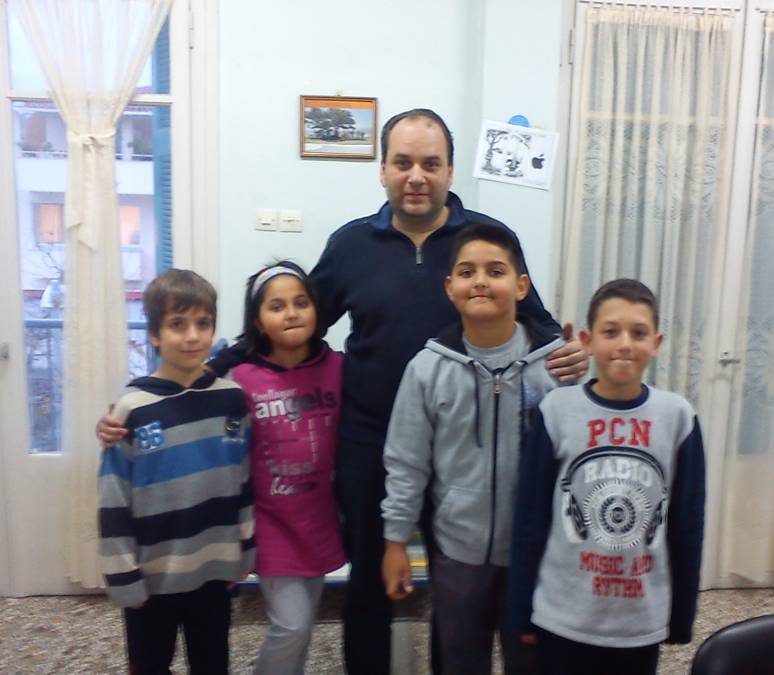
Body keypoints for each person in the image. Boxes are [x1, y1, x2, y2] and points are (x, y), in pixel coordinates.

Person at [98, 108, 588, 675]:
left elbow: (537, 324)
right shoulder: (351, 244)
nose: (416, 176)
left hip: (461, 450)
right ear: (383, 170)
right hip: (369, 443)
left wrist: (572, 355)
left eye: (430, 164)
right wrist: (192, 379)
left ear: (450, 171)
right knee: (371, 583)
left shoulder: (483, 242)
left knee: (454, 589)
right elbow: (292, 327)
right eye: (403, 163)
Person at [381, 223, 563, 675]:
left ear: (521, 286)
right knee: (460, 660)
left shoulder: (555, 367)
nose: (480, 281)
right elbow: (406, 463)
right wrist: (396, 541)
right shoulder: (427, 369)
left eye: (495, 271)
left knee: (532, 660)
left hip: (535, 554)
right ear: (450, 287)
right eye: (467, 272)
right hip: (457, 553)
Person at [507, 279, 706, 675]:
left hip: (639, 622)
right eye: (611, 332)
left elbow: (687, 526)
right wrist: (521, 610)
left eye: (639, 333)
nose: (625, 344)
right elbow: (530, 518)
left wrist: (681, 614)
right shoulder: (557, 410)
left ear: (657, 343)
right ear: (588, 340)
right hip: (561, 616)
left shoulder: (678, 417)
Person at [97, 269, 254, 675]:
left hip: (214, 570)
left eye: (203, 323)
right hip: (153, 579)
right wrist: (123, 575)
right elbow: (114, 498)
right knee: (151, 665)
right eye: (177, 324)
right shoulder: (132, 408)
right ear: (154, 334)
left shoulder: (232, 399)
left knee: (212, 663)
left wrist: (244, 550)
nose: (192, 336)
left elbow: (242, 480)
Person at [230, 261, 345, 674]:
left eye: (301, 303)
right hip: (270, 524)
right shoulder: (240, 378)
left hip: (319, 521)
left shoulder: (338, 368)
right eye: (276, 307)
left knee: (302, 624)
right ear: (258, 321)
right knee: (292, 625)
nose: (292, 313)